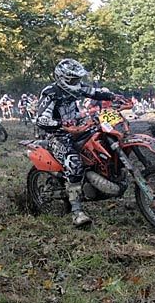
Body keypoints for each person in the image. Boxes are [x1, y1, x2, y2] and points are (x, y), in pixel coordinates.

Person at [35, 58, 119, 227]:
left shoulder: (78, 87)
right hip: (55, 135)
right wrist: (61, 125)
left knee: (102, 142)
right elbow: (41, 119)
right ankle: (77, 212)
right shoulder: (51, 92)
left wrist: (114, 97)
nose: (77, 83)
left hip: (78, 129)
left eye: (78, 79)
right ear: (63, 79)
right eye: (74, 80)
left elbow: (95, 92)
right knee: (74, 163)